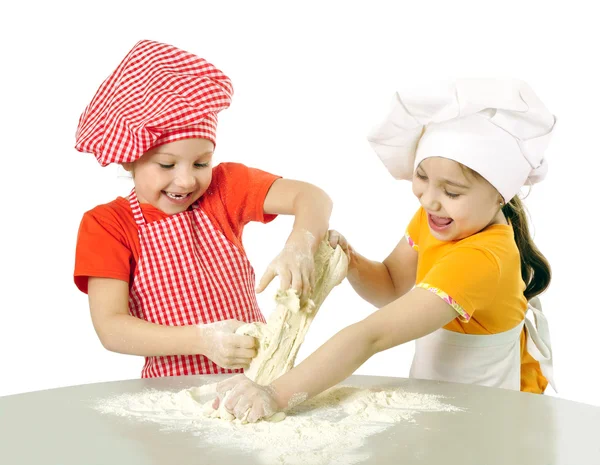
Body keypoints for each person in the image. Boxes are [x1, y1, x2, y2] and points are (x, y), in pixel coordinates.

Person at [214, 79, 557, 423]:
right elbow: (391, 286)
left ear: (501, 194)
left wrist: (275, 393)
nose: (429, 199)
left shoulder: (481, 259)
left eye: (452, 192)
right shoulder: (440, 219)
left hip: (485, 417)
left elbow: (371, 336)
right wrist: (350, 261)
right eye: (421, 178)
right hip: (443, 404)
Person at [73, 40, 332, 378]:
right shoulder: (108, 225)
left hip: (257, 382)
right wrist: (204, 340)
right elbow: (111, 328)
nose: (185, 181)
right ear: (129, 160)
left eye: (200, 163)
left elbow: (313, 197)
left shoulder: (223, 190)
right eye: (166, 165)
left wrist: (300, 244)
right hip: (170, 394)